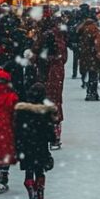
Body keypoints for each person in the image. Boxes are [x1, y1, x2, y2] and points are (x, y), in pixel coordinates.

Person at [14, 81, 57, 199]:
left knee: (29, 171)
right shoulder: (46, 111)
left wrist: (17, 144)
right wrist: (53, 138)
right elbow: (50, 131)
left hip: (26, 146)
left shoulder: (22, 110)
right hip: (41, 147)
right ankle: (40, 192)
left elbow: (17, 129)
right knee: (40, 170)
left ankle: (31, 191)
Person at [33, 12, 67, 146]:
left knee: (43, 99)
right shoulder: (60, 37)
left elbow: (34, 51)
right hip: (56, 72)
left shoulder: (44, 36)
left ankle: (45, 131)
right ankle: (55, 133)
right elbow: (64, 58)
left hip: (45, 72)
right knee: (56, 100)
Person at [77, 11, 100, 101]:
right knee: (94, 75)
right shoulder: (95, 30)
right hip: (93, 56)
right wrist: (99, 53)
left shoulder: (82, 30)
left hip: (84, 55)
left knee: (88, 74)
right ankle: (93, 93)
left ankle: (89, 92)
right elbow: (97, 43)